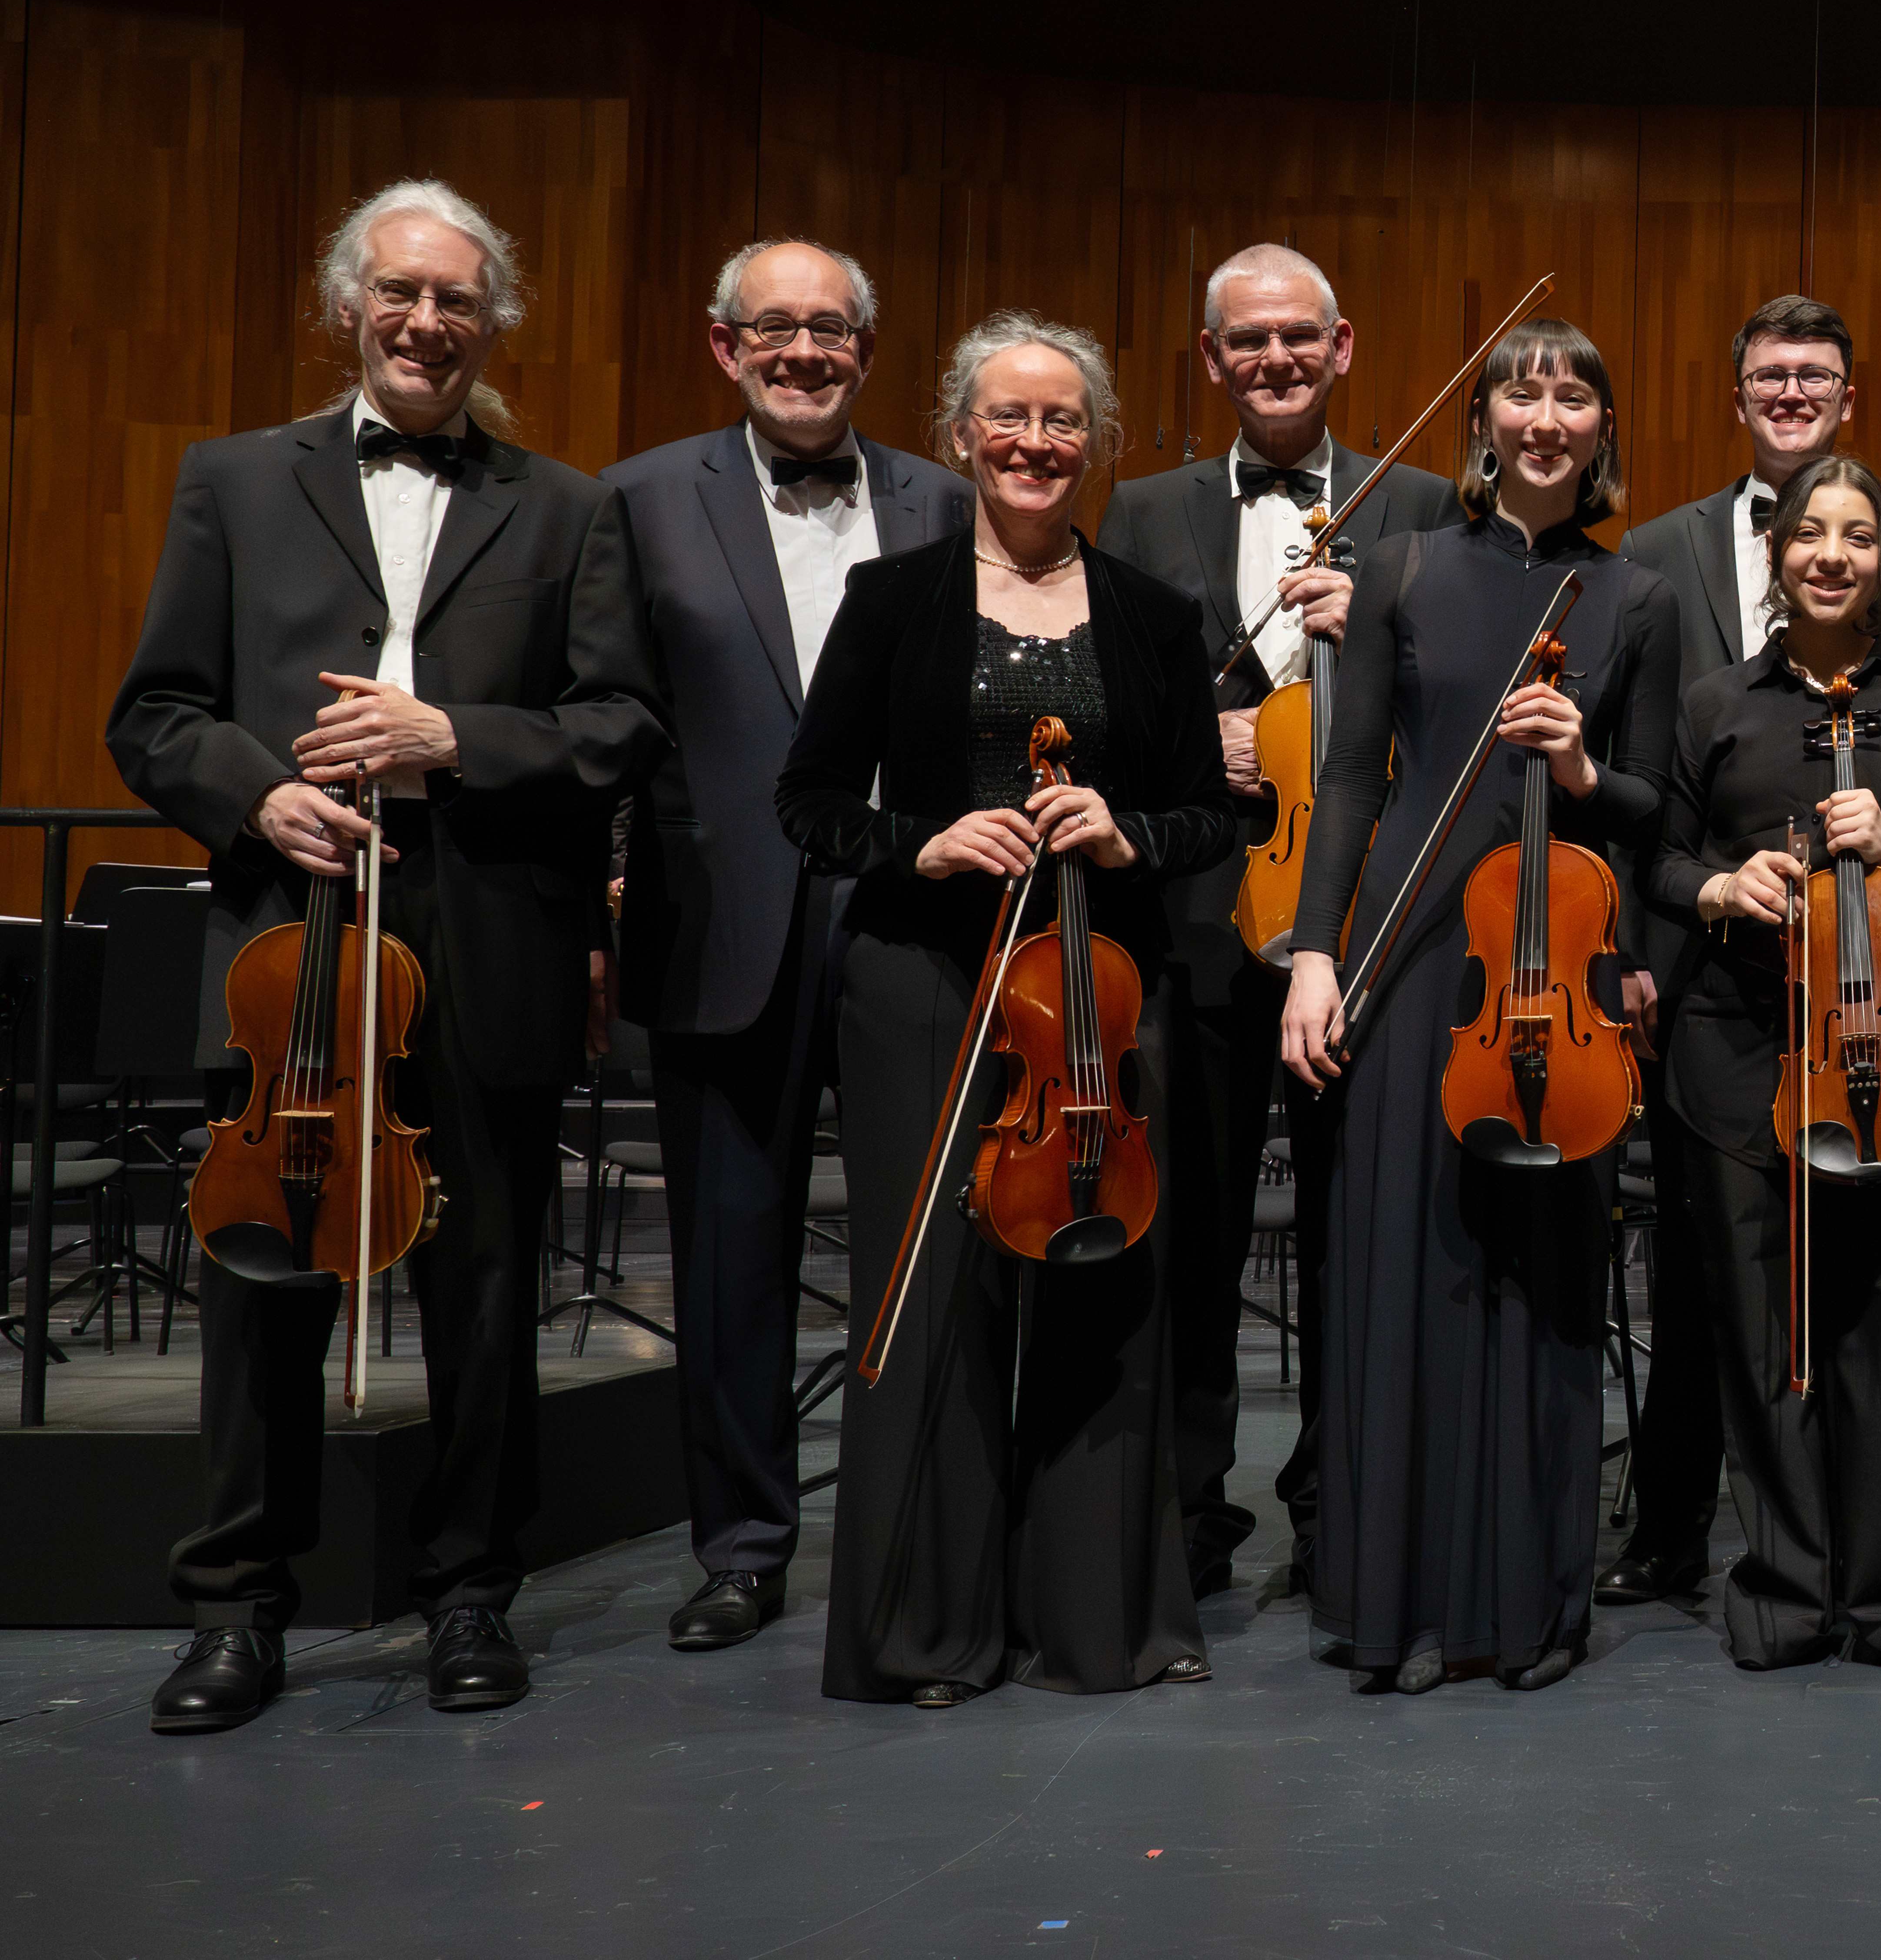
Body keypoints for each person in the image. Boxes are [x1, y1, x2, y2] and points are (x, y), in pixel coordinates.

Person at [115, 180, 664, 1735]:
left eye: (459, 301)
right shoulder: (230, 478)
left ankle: (472, 1588)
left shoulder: (569, 504)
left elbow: (619, 725)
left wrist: (453, 737)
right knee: (264, 1283)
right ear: (349, 302)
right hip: (291, 940)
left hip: (483, 929)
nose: (428, 322)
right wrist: (255, 788)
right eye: (401, 294)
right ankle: (236, 1607)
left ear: (494, 323)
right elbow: (154, 712)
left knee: (482, 1286)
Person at [774, 315, 1239, 1705]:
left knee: (1105, 1287)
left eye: (1062, 422)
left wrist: (1127, 829)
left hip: (1100, 988)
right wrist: (917, 840)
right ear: (963, 433)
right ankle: (924, 1628)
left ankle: (1102, 1620)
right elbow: (805, 801)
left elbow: (1212, 814)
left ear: (1095, 444)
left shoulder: (1153, 616)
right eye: (1007, 419)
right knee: (935, 1303)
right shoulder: (893, 596)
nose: (1035, 443)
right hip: (924, 982)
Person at [1269, 318, 1678, 1692]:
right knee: (1410, 1264)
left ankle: (1524, 1602)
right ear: (1487, 418)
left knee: (1541, 1281)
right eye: (1522, 388)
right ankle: (1392, 1597)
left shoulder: (1638, 597)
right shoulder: (1397, 569)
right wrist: (1317, 955)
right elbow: (1349, 785)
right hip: (1407, 963)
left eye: (1574, 392)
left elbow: (1653, 817)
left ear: (1601, 427)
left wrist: (1578, 776)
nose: (1545, 413)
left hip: (1552, 983)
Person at [603, 238, 966, 1654]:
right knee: (729, 1248)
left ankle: (918, 1525)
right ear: (725, 343)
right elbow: (612, 719)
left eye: (831, 331)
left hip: (910, 912)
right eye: (777, 330)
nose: (804, 352)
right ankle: (743, 1546)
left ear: (866, 352)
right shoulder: (638, 498)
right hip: (723, 917)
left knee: (918, 1242)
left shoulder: (943, 499)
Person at [1091, 243, 1455, 1603]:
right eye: (1247, 340)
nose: (1275, 358)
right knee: (1190, 1223)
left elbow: (1460, 709)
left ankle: (1339, 1498)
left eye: (1298, 335)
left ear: (1343, 343)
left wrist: (1371, 643)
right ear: (1210, 357)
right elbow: (1094, 700)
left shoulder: (1419, 500)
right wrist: (1209, 735)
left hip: (1358, 922)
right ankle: (1188, 1502)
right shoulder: (1135, 512)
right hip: (1190, 919)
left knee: (1356, 1227)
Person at [1598, 294, 1881, 1607]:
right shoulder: (1653, 546)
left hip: (1857, 979)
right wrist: (1650, 941)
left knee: (1838, 1269)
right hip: (1711, 976)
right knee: (1705, 1270)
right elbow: (1650, 782)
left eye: (1815, 375)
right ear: (1736, 393)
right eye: (1769, 374)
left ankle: (1841, 1529)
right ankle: (1672, 1520)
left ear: (1845, 399)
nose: (1791, 391)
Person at [1651, 454, 1881, 1670]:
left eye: (1859, 534)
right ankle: (1787, 1584)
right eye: (1811, 533)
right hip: (1741, 1049)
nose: (1832, 553)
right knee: (1767, 1332)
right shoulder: (1715, 703)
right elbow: (1660, 857)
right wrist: (1717, 882)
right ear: (1776, 553)